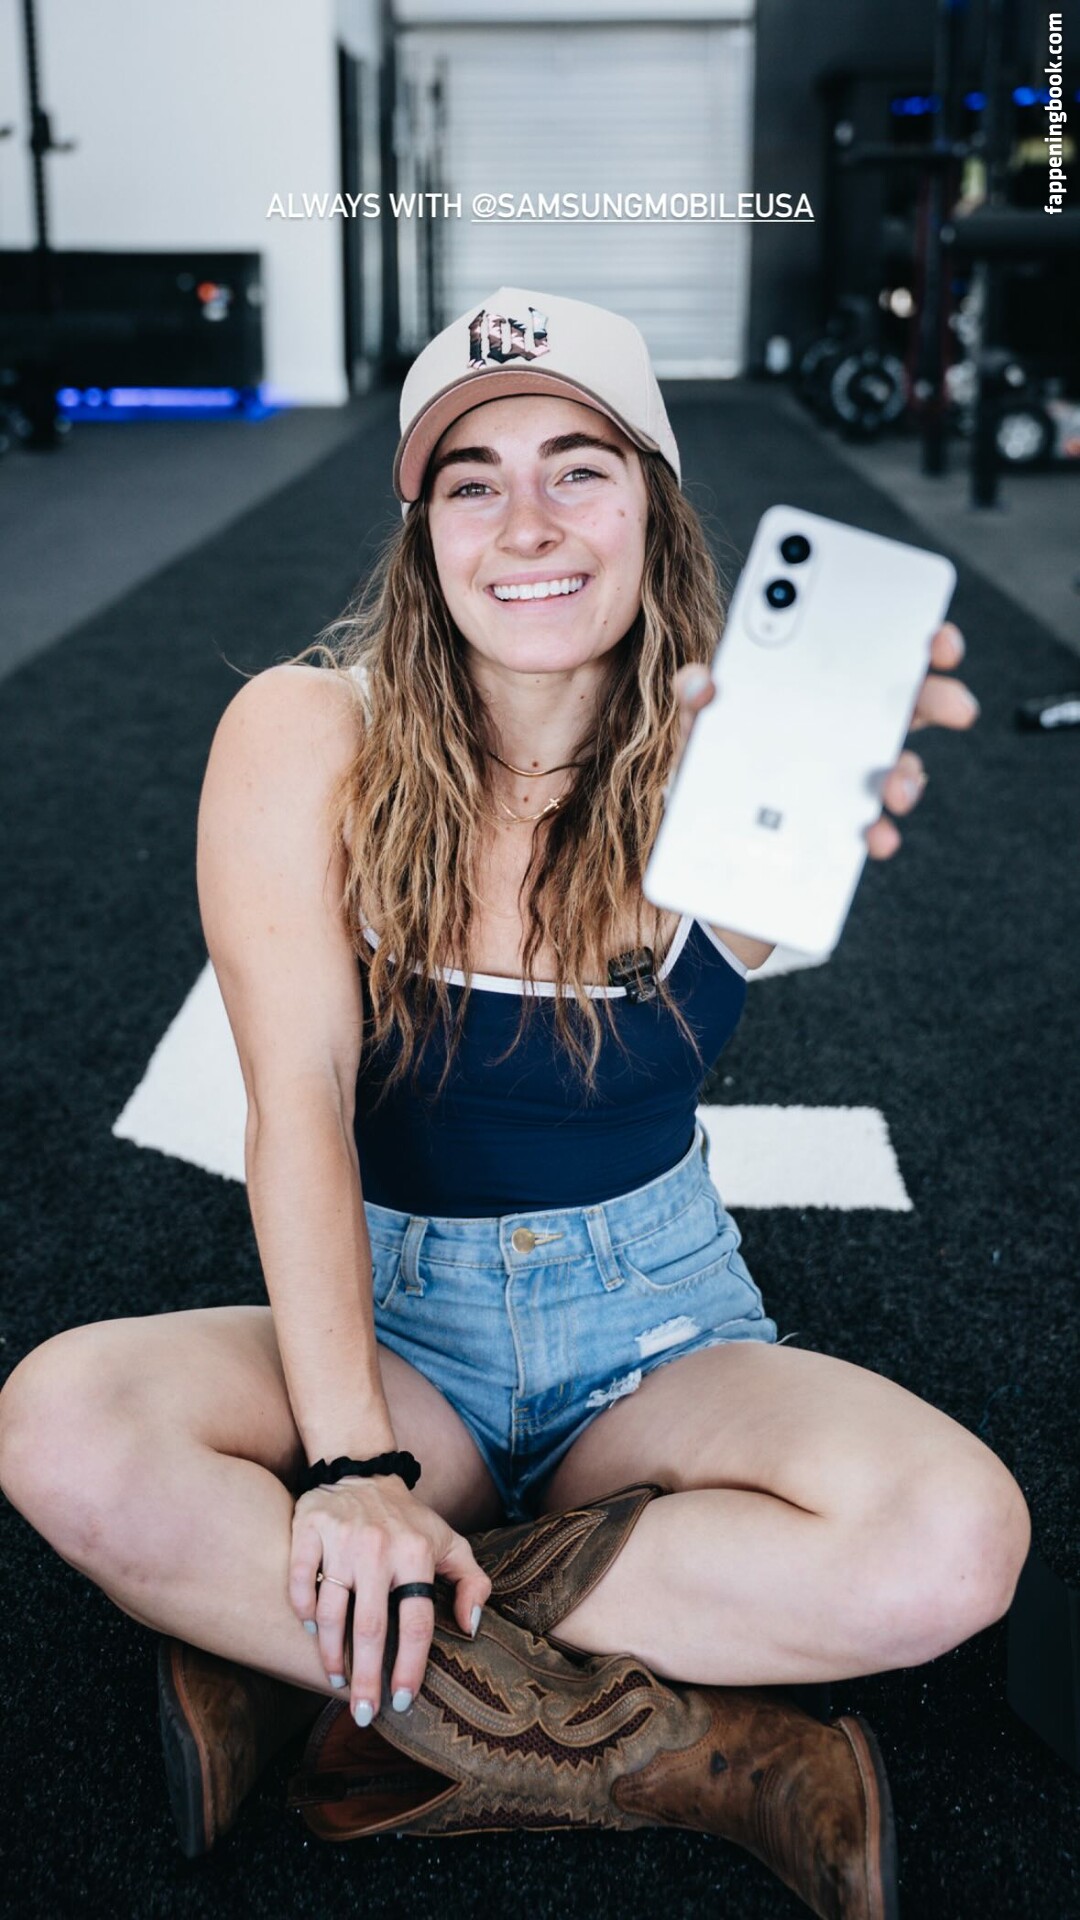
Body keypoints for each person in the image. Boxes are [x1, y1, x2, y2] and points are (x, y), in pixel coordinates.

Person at [0, 287, 1029, 1919]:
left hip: (661, 1326)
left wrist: (827, 771)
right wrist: (353, 1465)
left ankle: (316, 1658)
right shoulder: (304, 731)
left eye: (580, 470)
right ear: (424, 535)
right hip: (398, 1328)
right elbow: (298, 1103)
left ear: (652, 507)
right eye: (472, 481)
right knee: (62, 1424)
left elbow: (769, 868)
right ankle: (674, 1743)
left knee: (955, 1543)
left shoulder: (726, 753)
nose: (527, 524)